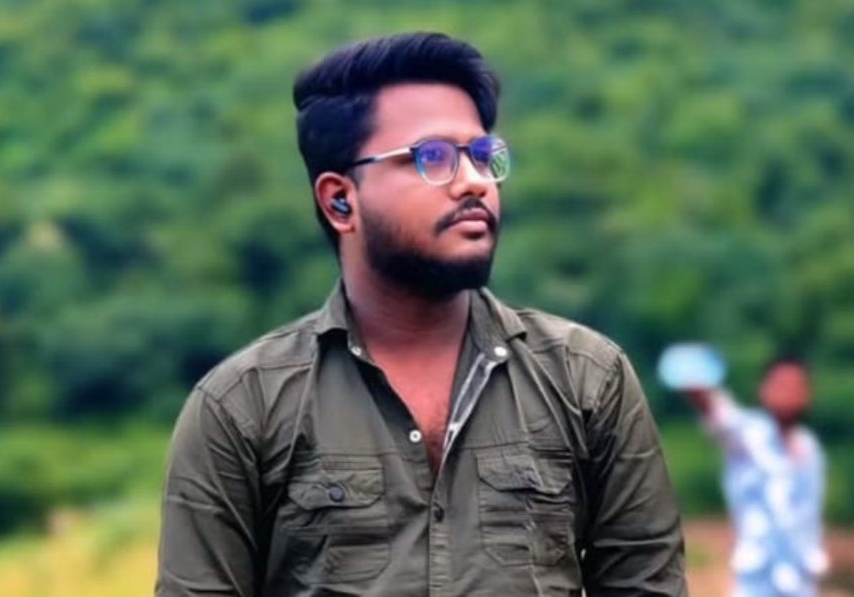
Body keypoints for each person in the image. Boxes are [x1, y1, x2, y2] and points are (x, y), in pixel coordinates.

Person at [156, 32, 686, 596]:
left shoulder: (586, 379)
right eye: (433, 157)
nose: (475, 181)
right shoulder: (242, 406)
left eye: (482, 155)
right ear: (340, 200)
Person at [683, 355, 827, 596]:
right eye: (781, 385)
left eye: (795, 387)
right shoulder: (749, 435)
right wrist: (699, 390)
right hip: (757, 579)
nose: (787, 393)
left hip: (800, 581)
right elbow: (721, 416)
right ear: (764, 390)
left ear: (807, 394)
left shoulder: (810, 448)